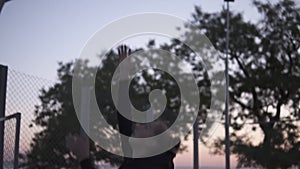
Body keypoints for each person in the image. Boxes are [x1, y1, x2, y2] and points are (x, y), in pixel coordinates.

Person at [66, 45, 179, 169]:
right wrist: (124, 77)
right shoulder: (141, 158)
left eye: (146, 127)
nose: (137, 125)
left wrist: (84, 159)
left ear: (151, 143)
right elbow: (124, 117)